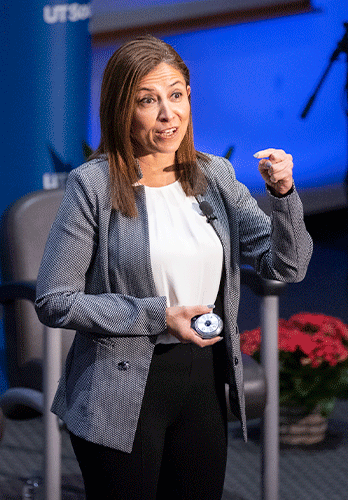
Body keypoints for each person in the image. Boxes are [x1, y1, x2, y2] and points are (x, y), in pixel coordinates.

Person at [35, 34, 313, 500]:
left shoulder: (215, 176)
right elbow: (54, 301)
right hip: (119, 388)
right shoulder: (94, 186)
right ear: (123, 109)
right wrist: (156, 316)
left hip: (203, 381)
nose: (169, 115)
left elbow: (286, 266)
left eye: (177, 95)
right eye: (149, 100)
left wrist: (283, 197)